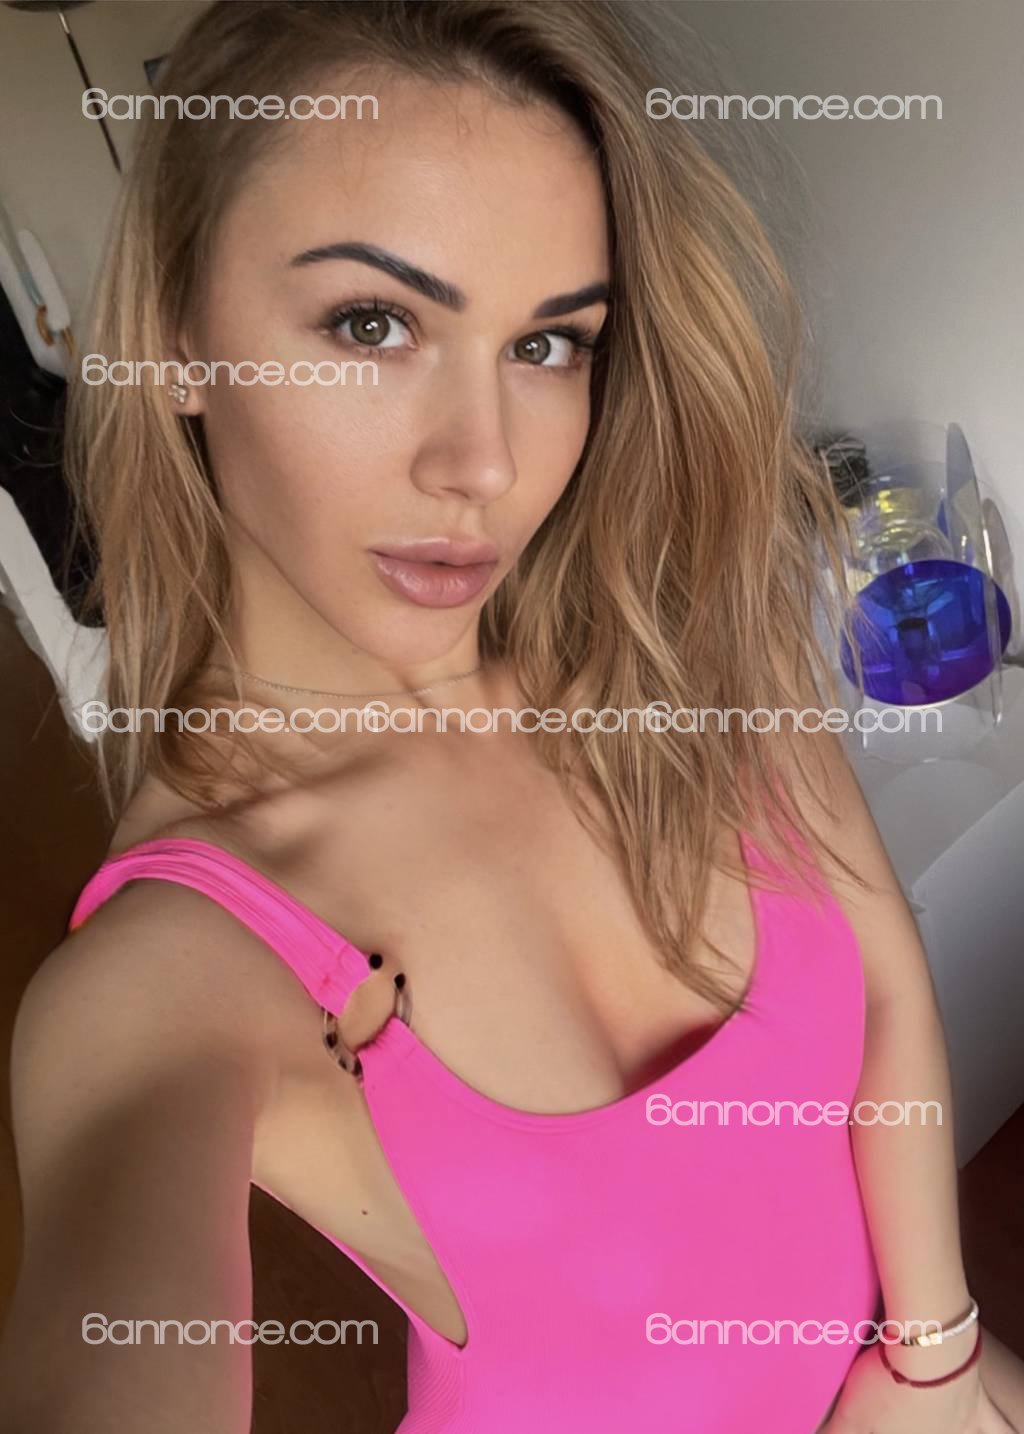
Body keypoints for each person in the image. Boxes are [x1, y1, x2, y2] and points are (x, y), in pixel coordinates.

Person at [1, 3, 1021, 1431]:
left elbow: (889, 990)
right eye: (373, 323)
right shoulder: (179, 966)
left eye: (548, 343)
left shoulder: (674, 657)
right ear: (176, 334)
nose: (482, 463)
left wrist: (933, 1359)